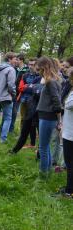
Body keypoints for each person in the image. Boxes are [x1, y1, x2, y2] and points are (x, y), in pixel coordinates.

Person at [36, 56, 62, 178]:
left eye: (39, 69)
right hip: (46, 116)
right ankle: (47, 171)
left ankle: (43, 174)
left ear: (44, 67)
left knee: (43, 147)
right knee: (46, 146)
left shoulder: (51, 82)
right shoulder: (51, 80)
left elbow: (57, 101)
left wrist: (59, 120)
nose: (38, 71)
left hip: (47, 117)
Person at [54, 68, 73, 198]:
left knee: (70, 163)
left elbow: (69, 104)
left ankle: (69, 191)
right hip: (68, 131)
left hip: (71, 134)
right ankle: (69, 188)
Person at [16, 58, 41, 148]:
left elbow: (39, 90)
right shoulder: (25, 75)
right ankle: (22, 136)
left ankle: (34, 141)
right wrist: (30, 87)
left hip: (34, 102)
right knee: (23, 118)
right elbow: (21, 87)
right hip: (24, 100)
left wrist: (29, 87)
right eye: (29, 64)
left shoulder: (39, 76)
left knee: (34, 122)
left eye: (33, 64)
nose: (31, 66)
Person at [9, 53, 29, 132]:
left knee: (16, 111)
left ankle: (13, 128)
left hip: (21, 94)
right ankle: (8, 127)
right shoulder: (14, 69)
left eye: (17, 60)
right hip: (12, 92)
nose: (16, 61)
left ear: (21, 60)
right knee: (10, 111)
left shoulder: (26, 69)